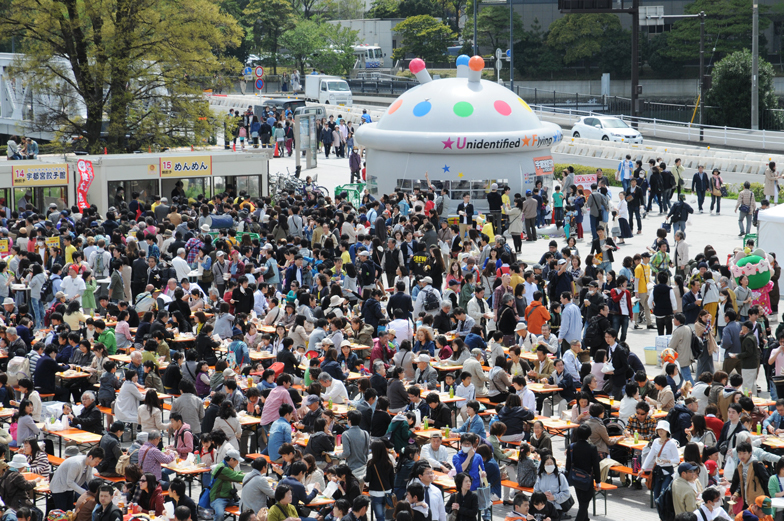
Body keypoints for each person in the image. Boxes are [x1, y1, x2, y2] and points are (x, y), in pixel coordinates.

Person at [565, 424, 601, 521]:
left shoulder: (571, 447)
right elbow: (596, 466)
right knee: (584, 503)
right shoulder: (592, 448)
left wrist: (566, 478)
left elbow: (567, 465)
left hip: (575, 478)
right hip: (587, 479)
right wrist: (598, 481)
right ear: (589, 435)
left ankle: (585, 519)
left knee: (582, 501)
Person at [209, 449, 245, 521]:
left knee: (246, 507)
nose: (237, 463)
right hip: (218, 498)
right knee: (219, 514)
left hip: (229, 497)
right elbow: (236, 477)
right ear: (231, 460)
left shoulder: (227, 466)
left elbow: (235, 475)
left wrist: (242, 474)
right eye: (237, 461)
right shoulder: (223, 468)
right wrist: (252, 474)